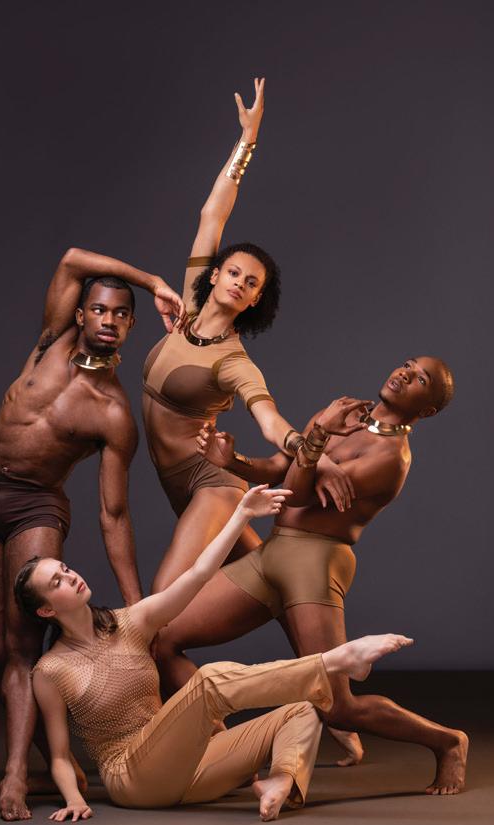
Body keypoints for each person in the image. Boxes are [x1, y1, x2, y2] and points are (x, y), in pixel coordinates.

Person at [156, 357, 469, 795]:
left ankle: (448, 742)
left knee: (337, 707)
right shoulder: (345, 412)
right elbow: (279, 468)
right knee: (163, 639)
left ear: (427, 409)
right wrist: (233, 461)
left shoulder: (391, 458)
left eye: (420, 379)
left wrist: (319, 435)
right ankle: (228, 753)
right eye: (407, 365)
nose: (403, 373)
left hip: (316, 563)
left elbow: (297, 494)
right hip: (274, 552)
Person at [17, 484, 414, 822]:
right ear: (46, 610)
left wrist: (242, 514)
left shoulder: (131, 622)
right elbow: (60, 755)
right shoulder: (51, 670)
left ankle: (281, 781)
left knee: (304, 708)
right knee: (207, 681)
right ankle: (335, 661)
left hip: (189, 769)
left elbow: (198, 574)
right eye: (57, 582)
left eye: (65, 569)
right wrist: (74, 800)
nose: (70, 576)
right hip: (132, 779)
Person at [0, 247, 184, 820]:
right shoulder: (49, 343)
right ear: (79, 315)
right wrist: (153, 280)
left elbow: (114, 514)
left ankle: (16, 774)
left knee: (22, 647)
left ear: (129, 326)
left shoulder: (113, 412)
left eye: (121, 314)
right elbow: (73, 258)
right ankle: (47, 749)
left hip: (36, 509)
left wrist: (137, 609)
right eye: (100, 310)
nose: (109, 320)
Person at [142, 77, 353, 595]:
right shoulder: (188, 304)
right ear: (215, 274)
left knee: (162, 603)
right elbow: (213, 213)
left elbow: (270, 421)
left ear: (256, 299)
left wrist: (314, 455)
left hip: (210, 484)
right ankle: (326, 635)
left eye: (252, 283)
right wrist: (247, 140)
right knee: (272, 585)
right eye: (234, 272)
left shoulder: (234, 362)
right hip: (175, 483)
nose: (240, 282)